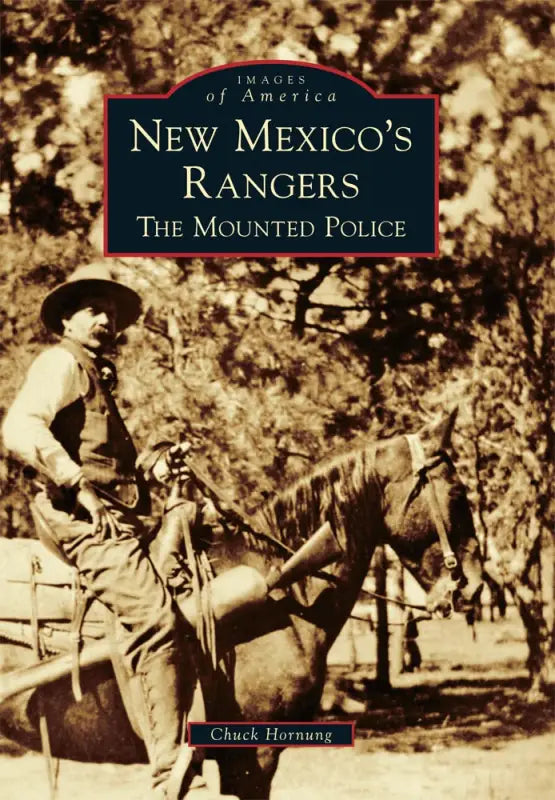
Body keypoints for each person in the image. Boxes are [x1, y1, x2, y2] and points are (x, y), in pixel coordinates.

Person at [2, 262, 199, 799]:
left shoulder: (96, 377)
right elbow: (19, 426)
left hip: (116, 517)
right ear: (67, 319)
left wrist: (156, 470)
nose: (105, 321)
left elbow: (109, 465)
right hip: (80, 521)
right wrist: (76, 483)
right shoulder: (60, 362)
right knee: (155, 617)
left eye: (112, 314)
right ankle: (167, 764)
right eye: (94, 311)